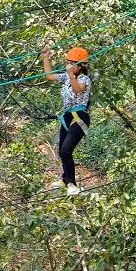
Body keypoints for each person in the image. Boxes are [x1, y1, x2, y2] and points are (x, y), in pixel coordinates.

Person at [41, 44, 92, 195]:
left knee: (66, 150)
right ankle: (66, 180)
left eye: (71, 63)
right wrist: (45, 57)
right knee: (61, 150)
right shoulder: (66, 77)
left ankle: (71, 183)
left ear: (80, 66)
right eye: (67, 62)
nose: (68, 65)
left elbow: (77, 90)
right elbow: (49, 76)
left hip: (79, 117)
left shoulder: (84, 79)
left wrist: (71, 75)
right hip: (67, 116)